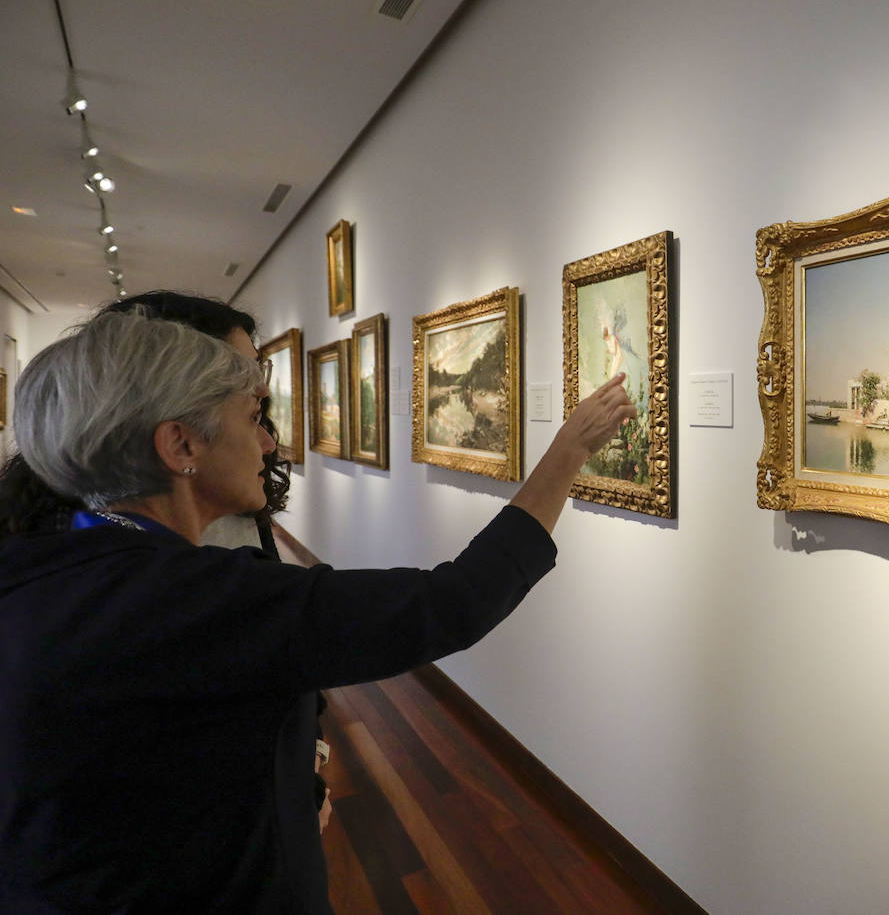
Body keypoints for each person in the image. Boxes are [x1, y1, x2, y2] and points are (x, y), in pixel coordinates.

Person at [0, 306, 634, 913]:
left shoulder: (56, 564)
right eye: (253, 419)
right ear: (180, 445)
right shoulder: (185, 601)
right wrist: (569, 451)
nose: (269, 444)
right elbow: (455, 603)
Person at [0, 291, 335, 835]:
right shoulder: (72, 558)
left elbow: (275, 643)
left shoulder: (228, 507)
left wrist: (304, 753)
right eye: (237, 373)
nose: (267, 436)